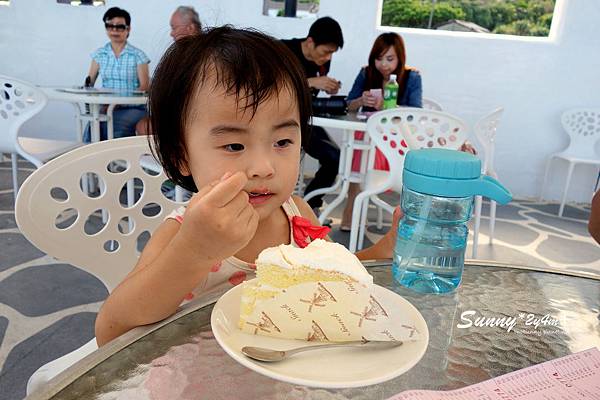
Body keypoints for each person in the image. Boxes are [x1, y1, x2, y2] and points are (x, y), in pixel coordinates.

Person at [94, 27, 401, 346]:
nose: (263, 168)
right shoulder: (183, 232)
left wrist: (382, 251)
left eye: (282, 141)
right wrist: (194, 250)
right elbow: (111, 331)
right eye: (234, 146)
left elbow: (332, 278)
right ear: (180, 154)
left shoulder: (297, 215)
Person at [340, 32, 476, 230]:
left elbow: (415, 113)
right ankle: (352, 209)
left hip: (399, 137)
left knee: (364, 148)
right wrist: (361, 101)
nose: (383, 65)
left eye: (389, 59)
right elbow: (348, 105)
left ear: (400, 58)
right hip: (370, 135)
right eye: (379, 59)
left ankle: (385, 202)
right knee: (361, 143)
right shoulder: (366, 73)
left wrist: (389, 107)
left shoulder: (412, 76)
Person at [281, 17, 344, 215]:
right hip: (281, 122)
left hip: (306, 120)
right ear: (310, 42)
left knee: (335, 157)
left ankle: (310, 205)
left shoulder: (323, 61)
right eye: (325, 52)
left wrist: (329, 87)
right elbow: (274, 87)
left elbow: (313, 91)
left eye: (332, 53)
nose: (327, 58)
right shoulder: (282, 52)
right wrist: (312, 82)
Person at [84, 7, 150, 142]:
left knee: (115, 126)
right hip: (105, 107)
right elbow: (89, 84)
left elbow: (144, 87)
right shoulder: (99, 54)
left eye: (119, 27)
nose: (114, 30)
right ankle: (93, 161)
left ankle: (118, 162)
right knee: (93, 124)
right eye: (110, 26)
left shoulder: (138, 55)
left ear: (128, 29)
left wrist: (118, 103)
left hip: (133, 107)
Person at [136, 5, 202, 135]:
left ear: (190, 28)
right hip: (186, 115)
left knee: (143, 126)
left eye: (174, 28)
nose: (171, 33)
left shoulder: (196, 53)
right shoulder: (187, 51)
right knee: (143, 125)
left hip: (192, 116)